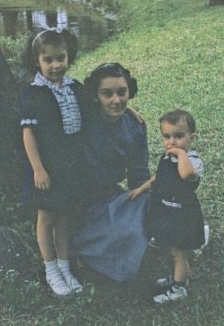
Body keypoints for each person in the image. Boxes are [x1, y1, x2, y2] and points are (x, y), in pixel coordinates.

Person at [19, 26, 87, 296]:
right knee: (46, 217)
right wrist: (38, 168)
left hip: (69, 164)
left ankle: (65, 265)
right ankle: (50, 270)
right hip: (46, 166)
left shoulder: (75, 87)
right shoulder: (32, 94)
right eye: (48, 60)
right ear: (37, 61)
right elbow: (28, 134)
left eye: (61, 58)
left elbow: (100, 102)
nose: (56, 65)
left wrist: (127, 106)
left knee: (64, 215)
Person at [72, 63, 151, 282]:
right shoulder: (81, 122)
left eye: (122, 92)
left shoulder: (135, 126)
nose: (116, 100)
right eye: (107, 93)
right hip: (82, 203)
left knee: (157, 205)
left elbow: (139, 175)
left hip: (116, 198)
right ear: (95, 95)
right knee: (131, 232)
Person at [132, 109, 205, 303]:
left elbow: (187, 176)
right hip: (167, 212)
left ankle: (179, 288)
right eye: (167, 136)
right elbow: (159, 178)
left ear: (192, 137)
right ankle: (177, 278)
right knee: (172, 250)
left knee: (179, 252)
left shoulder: (192, 161)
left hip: (183, 215)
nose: (172, 142)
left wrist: (181, 154)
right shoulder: (167, 158)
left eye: (179, 136)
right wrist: (142, 188)